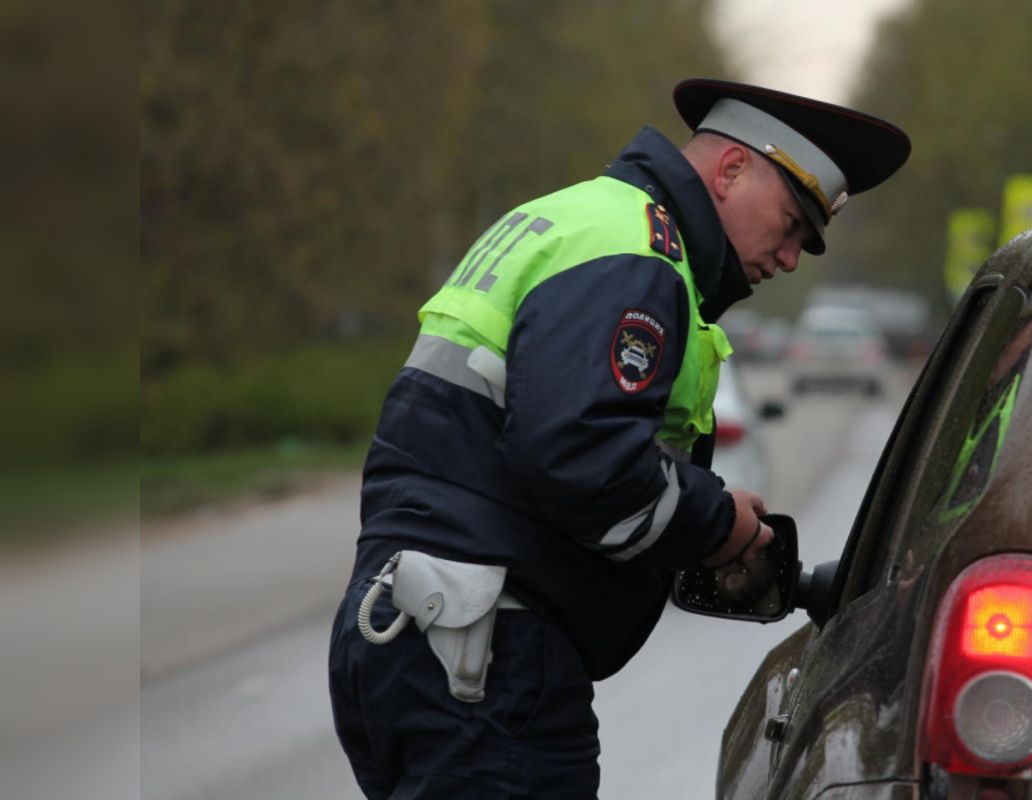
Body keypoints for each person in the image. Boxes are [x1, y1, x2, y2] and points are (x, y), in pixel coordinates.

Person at [327, 77, 910, 799]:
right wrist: (719, 525)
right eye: (791, 224)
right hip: (486, 659)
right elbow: (583, 459)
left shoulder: (570, 217)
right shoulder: (638, 254)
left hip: (409, 632)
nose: (789, 257)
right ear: (731, 170)